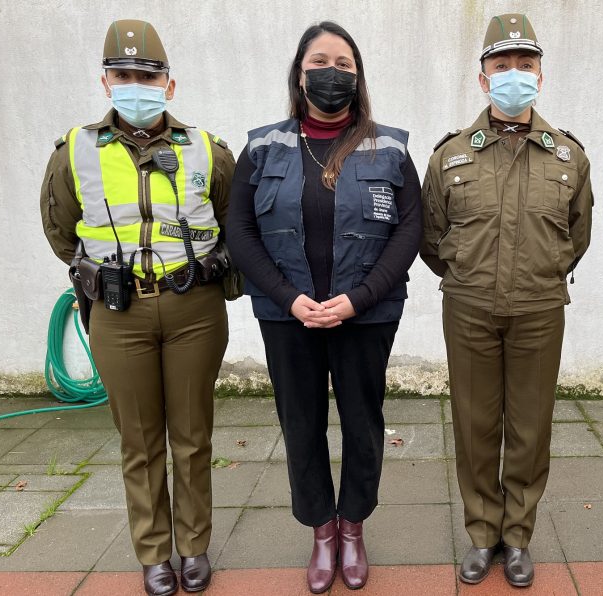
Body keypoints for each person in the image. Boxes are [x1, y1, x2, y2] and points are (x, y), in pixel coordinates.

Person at [40, 19, 235, 596]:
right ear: (106, 81)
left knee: (193, 435)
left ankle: (194, 546)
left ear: (168, 85)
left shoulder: (207, 149)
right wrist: (102, 276)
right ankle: (154, 554)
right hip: (118, 315)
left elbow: (232, 223)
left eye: (147, 75)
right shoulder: (74, 149)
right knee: (139, 441)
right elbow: (59, 228)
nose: (136, 85)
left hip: (193, 310)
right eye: (123, 75)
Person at [226, 21, 422, 594]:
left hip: (366, 315)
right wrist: (291, 298)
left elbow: (410, 230)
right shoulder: (263, 146)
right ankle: (321, 529)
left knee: (363, 423)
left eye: (344, 64)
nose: (331, 73)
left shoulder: (390, 147)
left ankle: (354, 525)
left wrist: (356, 300)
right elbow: (239, 230)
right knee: (302, 424)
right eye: (320, 61)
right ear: (299, 71)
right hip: (289, 317)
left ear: (358, 79)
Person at [420, 13, 592, 588]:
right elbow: (430, 236)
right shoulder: (449, 156)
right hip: (467, 306)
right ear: (482, 77)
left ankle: (517, 537)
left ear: (540, 75)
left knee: (529, 427)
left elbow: (577, 234)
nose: (513, 74)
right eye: (502, 65)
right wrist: (469, 275)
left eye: (525, 64)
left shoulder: (567, 156)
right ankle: (482, 533)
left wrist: (540, 274)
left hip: (540, 309)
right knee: (473, 425)